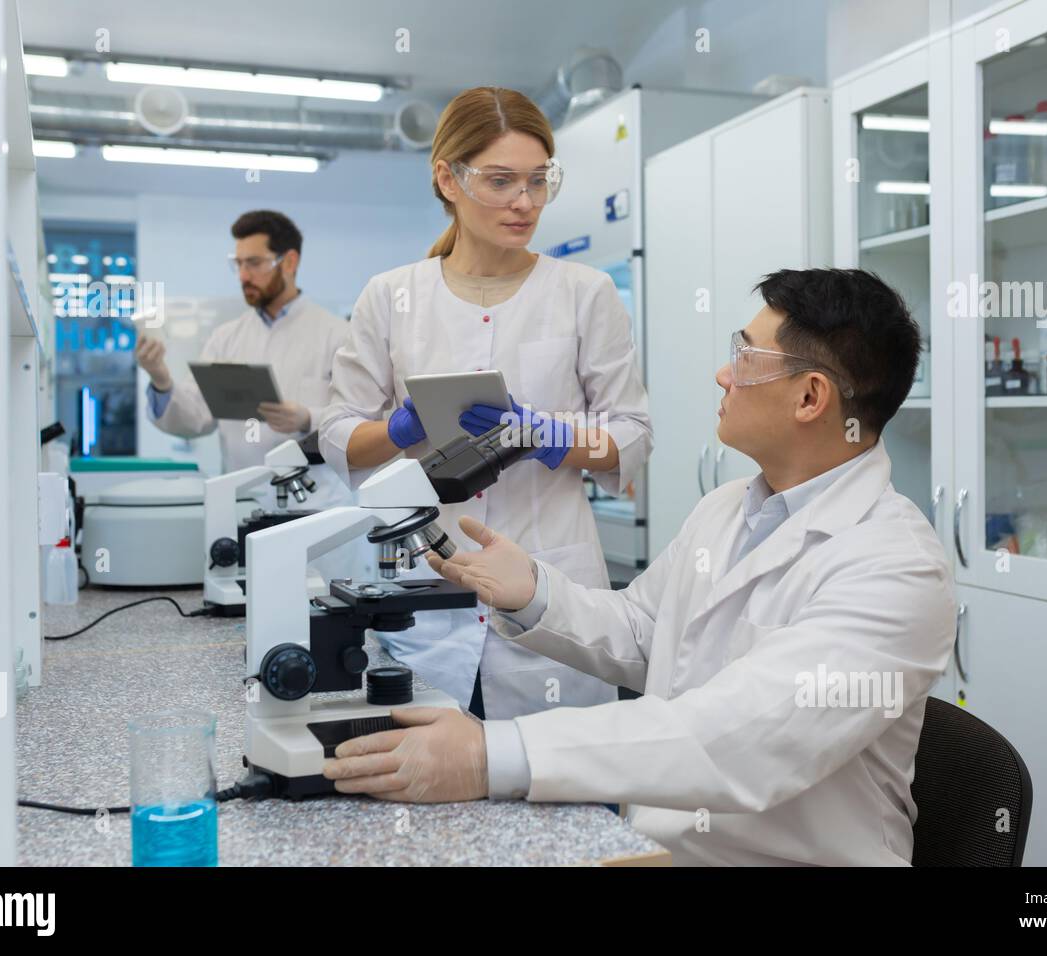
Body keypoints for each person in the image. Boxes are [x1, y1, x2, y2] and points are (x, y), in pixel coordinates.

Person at [321, 268, 957, 867]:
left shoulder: (894, 567)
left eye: (744, 357)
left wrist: (491, 753)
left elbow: (735, 739)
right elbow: (648, 633)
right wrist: (533, 593)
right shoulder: (729, 507)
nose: (722, 375)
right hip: (660, 846)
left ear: (811, 397)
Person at [318, 87, 652, 721]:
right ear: (448, 177)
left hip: (551, 589)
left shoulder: (585, 292)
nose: (524, 203)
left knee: (565, 792)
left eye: (538, 181)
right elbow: (338, 435)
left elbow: (632, 434)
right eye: (500, 182)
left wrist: (547, 435)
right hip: (426, 598)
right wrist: (398, 428)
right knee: (429, 785)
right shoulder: (391, 296)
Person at [136, 210, 350, 476]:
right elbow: (194, 417)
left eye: (254, 263)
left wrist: (307, 418)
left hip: (318, 506)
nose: (243, 276)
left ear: (289, 262)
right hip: (241, 500)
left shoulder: (337, 335)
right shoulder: (225, 339)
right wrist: (161, 379)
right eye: (238, 264)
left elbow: (358, 422)